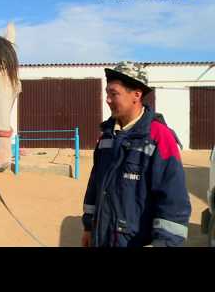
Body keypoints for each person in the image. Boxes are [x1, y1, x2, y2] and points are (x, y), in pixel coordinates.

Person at [81, 61, 191, 247]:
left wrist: (163, 243)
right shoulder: (107, 136)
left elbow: (174, 199)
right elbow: (95, 185)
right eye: (107, 93)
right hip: (103, 239)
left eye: (114, 94)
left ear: (137, 95)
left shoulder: (159, 137)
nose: (107, 99)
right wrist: (88, 227)